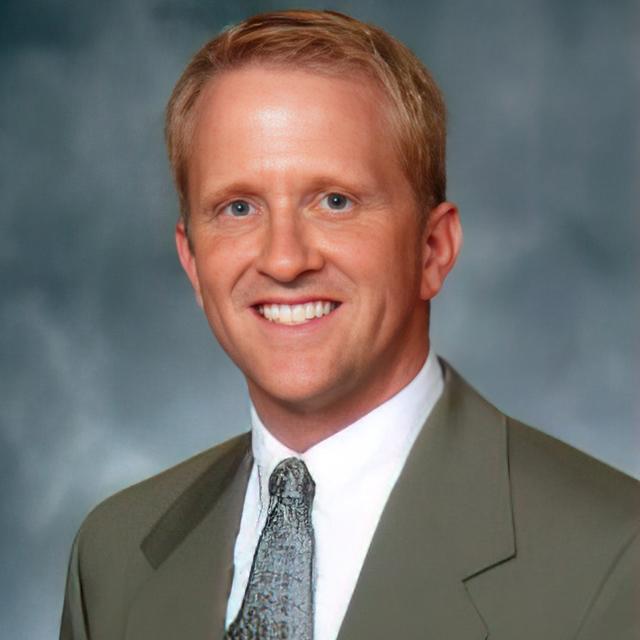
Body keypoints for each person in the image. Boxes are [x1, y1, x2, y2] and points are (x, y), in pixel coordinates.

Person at [60, 10, 639, 640]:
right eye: (238, 207)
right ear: (193, 262)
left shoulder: (615, 557)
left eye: (335, 201)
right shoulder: (113, 557)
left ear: (433, 250)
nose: (284, 259)